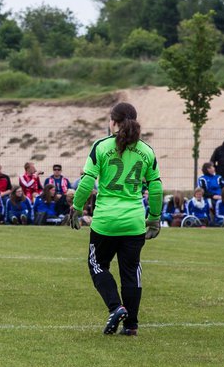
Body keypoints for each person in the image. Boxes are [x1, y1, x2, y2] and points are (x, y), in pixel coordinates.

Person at [69, 101, 162, 337]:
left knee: (97, 264)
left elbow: (87, 180)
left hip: (106, 222)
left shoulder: (101, 146)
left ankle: (116, 306)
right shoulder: (146, 150)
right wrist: (154, 218)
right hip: (133, 222)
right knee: (131, 271)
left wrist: (77, 208)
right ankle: (131, 325)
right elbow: (156, 188)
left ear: (113, 122)